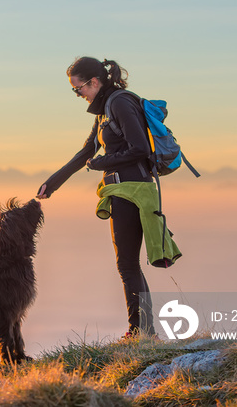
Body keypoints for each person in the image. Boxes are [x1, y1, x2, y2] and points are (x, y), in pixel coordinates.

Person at [36, 56, 155, 338]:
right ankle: (144, 331)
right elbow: (86, 151)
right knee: (128, 263)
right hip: (121, 188)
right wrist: (53, 183)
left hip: (132, 188)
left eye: (78, 89)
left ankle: (140, 333)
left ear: (94, 82)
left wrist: (102, 163)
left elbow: (140, 148)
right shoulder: (104, 110)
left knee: (127, 264)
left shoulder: (120, 103)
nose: (78, 95)